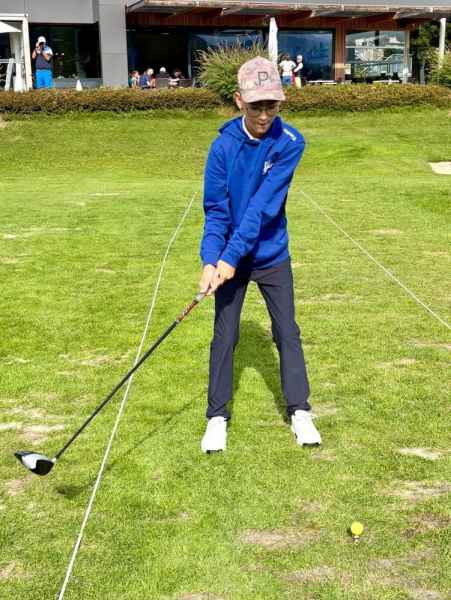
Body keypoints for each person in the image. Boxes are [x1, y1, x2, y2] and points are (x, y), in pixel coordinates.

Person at [199, 56, 321, 453]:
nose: (265, 115)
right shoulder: (222, 147)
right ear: (239, 100)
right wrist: (210, 260)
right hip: (229, 258)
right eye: (256, 106)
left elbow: (262, 207)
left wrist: (229, 257)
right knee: (225, 335)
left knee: (287, 332)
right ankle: (217, 417)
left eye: (272, 105)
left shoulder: (290, 143)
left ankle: (300, 411)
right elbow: (216, 211)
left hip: (270, 254)